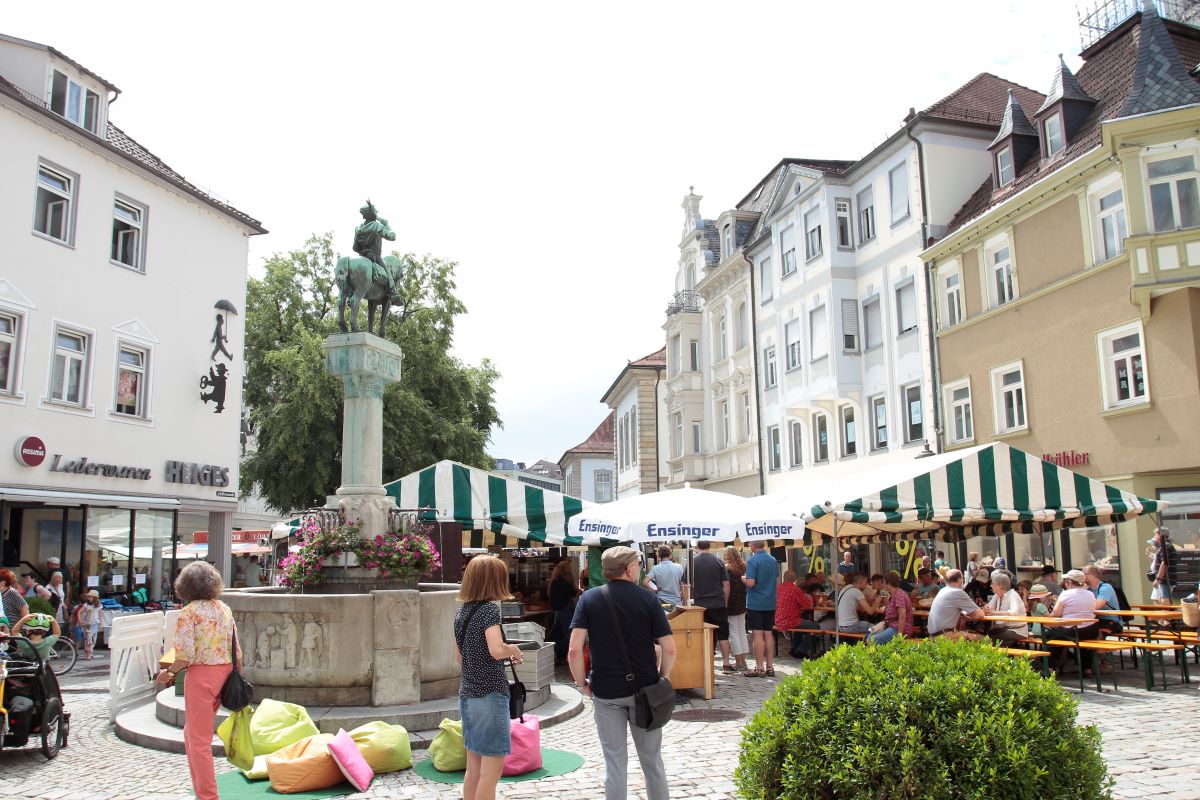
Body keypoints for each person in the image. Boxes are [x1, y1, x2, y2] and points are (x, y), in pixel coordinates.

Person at [569, 546, 675, 800]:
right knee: (652, 763)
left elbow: (574, 650)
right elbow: (669, 648)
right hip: (646, 691)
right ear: (629, 569)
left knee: (614, 764)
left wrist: (581, 682)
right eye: (638, 564)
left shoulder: (589, 599)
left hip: (606, 692)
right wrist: (663, 677)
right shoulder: (648, 599)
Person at [153, 562, 234, 800]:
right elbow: (234, 644)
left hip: (202, 675)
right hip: (225, 672)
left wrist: (168, 674)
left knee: (198, 739)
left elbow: (185, 654)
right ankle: (201, 790)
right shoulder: (223, 608)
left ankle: (207, 795)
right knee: (192, 733)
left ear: (184, 586)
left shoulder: (188, 613)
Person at [454, 555, 524, 800]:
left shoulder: (462, 612)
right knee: (491, 773)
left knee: (473, 769)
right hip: (490, 694)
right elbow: (496, 649)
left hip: (468, 694)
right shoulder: (489, 611)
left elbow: (459, 657)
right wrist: (513, 649)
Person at [1048, 569, 1100, 674]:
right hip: (1091, 630)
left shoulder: (1066, 594)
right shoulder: (1090, 594)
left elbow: (1056, 613)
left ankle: (1051, 668)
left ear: (1070, 582)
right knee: (1081, 641)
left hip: (1073, 629)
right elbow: (1093, 611)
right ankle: (1087, 668)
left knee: (1050, 637)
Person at [689, 542, 731, 670]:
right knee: (723, 634)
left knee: (703, 635)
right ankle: (726, 663)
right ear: (710, 546)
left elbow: (685, 584)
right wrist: (725, 602)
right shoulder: (718, 561)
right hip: (717, 603)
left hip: (699, 605)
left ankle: (706, 663)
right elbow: (726, 584)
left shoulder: (692, 562)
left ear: (697, 547)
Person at [742, 541, 779, 677]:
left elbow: (751, 583)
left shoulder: (752, 561)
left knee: (757, 634)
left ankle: (759, 667)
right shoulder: (773, 559)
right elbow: (776, 577)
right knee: (768, 633)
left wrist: (744, 579)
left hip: (756, 602)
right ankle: (770, 666)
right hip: (770, 601)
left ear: (753, 546)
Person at [927, 569, 986, 640]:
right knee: (984, 639)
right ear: (959, 580)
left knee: (965, 633)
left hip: (933, 636)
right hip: (945, 636)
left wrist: (961, 613)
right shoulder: (957, 592)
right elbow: (979, 614)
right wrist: (984, 611)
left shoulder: (942, 591)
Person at [774, 570, 817, 658]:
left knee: (801, 625)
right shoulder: (795, 590)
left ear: (784, 578)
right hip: (790, 621)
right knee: (815, 626)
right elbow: (807, 606)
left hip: (777, 620)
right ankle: (801, 650)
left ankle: (794, 649)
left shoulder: (778, 588)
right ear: (794, 579)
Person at [723, 547, 750, 671]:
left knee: (733, 632)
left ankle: (738, 661)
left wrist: (725, 603)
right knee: (741, 631)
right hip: (742, 602)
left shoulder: (727, 568)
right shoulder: (743, 566)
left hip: (731, 603)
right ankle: (743, 660)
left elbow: (726, 586)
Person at [867, 573, 913, 645]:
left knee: (872, 640)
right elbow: (886, 605)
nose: (882, 584)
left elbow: (902, 616)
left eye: (883, 582)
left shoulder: (899, 595)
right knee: (869, 636)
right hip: (890, 625)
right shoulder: (893, 594)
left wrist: (900, 636)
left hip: (898, 628)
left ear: (888, 583)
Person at [547, 558, 579, 665]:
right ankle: (559, 653)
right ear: (566, 569)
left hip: (555, 611)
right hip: (563, 610)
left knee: (558, 634)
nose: (570, 569)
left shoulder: (554, 580)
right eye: (569, 567)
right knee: (568, 635)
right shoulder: (563, 581)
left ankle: (557, 655)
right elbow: (574, 592)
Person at [983, 571, 1028, 644]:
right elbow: (988, 607)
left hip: (1017, 631)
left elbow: (1014, 612)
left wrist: (994, 612)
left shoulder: (1013, 595)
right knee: (990, 634)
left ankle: (1006, 653)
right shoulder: (997, 595)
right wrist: (985, 609)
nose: (991, 586)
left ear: (1000, 585)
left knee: (992, 638)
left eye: (992, 583)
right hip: (1003, 629)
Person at [1082, 565, 1122, 637]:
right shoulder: (1087, 589)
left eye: (1083, 574)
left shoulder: (1105, 587)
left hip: (1111, 621)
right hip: (1095, 620)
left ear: (1092, 575)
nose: (1081, 577)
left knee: (1096, 632)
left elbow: (1098, 606)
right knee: (1079, 631)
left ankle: (1098, 648)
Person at [1148, 527, 1178, 605]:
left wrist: (1158, 578)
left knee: (1165, 601)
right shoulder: (1163, 546)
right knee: (1161, 601)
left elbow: (1164, 564)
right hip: (1164, 579)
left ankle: (1170, 617)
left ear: (1161, 535)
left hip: (1165, 579)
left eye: (1156, 534)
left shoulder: (1166, 546)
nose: (1154, 537)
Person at [78, 590, 101, 659]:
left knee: (94, 638)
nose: (89, 598)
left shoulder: (99, 605)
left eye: (90, 597)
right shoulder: (86, 605)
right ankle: (88, 653)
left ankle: (89, 652)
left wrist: (101, 624)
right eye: (88, 597)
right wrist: (80, 621)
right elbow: (79, 612)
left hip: (95, 623)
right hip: (88, 623)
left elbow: (100, 615)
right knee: (88, 638)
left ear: (95, 598)